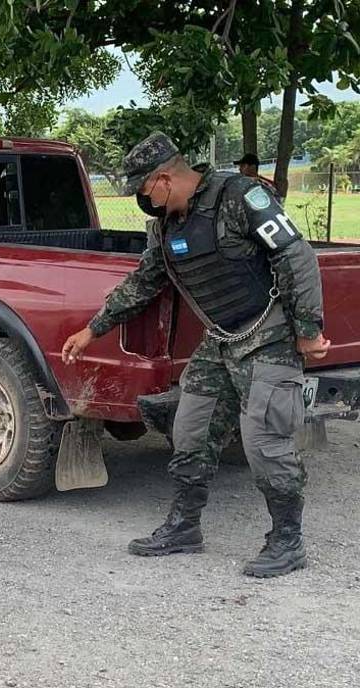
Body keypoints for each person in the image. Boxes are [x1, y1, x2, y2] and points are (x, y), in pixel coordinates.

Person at [62, 132, 330, 578]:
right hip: (220, 340)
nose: (142, 201)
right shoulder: (166, 225)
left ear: (164, 179)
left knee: (266, 442)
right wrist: (93, 329)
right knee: (190, 431)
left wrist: (308, 329)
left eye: (144, 191)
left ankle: (287, 540)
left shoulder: (239, 196)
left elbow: (295, 256)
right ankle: (184, 526)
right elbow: (144, 282)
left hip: (269, 336)